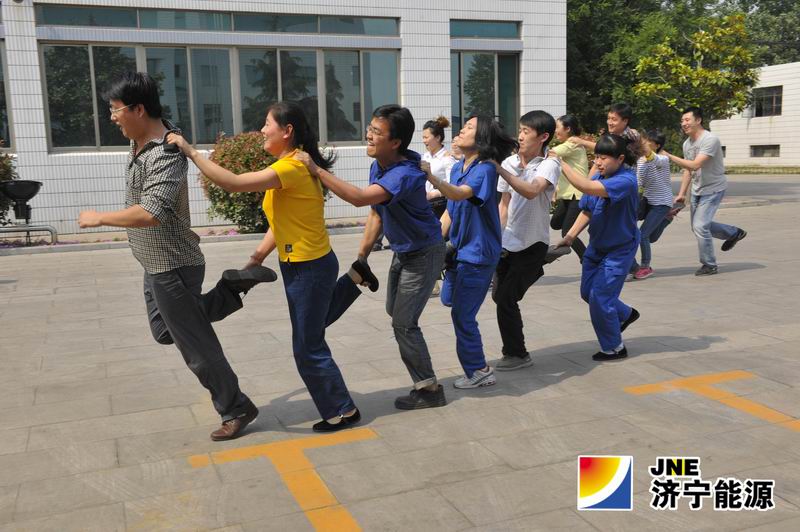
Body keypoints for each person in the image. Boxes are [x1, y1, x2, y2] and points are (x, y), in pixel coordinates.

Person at [78, 72, 274, 441]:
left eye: (115, 110)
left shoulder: (166, 155)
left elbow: (151, 212)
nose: (112, 117)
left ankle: (236, 407)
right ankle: (230, 289)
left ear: (138, 109)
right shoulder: (145, 139)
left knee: (196, 346)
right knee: (165, 332)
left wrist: (99, 218)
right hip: (153, 262)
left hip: (173, 265)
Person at [167, 101, 364, 433]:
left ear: (287, 131)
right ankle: (354, 280)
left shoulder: (293, 167)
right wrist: (257, 257)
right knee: (311, 332)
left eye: (267, 123)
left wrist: (191, 152)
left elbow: (233, 182)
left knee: (308, 346)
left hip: (309, 267)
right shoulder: (293, 165)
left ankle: (343, 411)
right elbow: (283, 222)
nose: (261, 130)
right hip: (303, 266)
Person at [295, 105, 448, 411]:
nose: (368, 135)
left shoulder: (404, 174)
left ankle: (430, 389)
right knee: (396, 312)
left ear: (396, 142)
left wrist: (316, 169)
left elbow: (359, 198)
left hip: (424, 252)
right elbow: (376, 212)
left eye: (377, 132)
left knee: (404, 323)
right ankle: (424, 378)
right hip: (403, 251)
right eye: (369, 128)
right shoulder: (380, 165)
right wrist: (362, 257)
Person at [425, 115, 517, 388]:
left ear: (482, 138)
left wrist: (430, 177)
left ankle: (479, 370)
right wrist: (434, 242)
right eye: (464, 126)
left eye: (469, 127)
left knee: (462, 315)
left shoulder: (485, 169)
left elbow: (460, 194)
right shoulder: (458, 168)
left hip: (478, 253)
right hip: (458, 251)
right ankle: (477, 362)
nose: (461, 130)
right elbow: (450, 212)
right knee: (448, 299)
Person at [555, 134, 641, 361]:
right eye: (597, 157)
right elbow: (587, 210)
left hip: (619, 249)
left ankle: (614, 347)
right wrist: (570, 236)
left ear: (620, 159)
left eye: (604, 158)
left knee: (600, 297)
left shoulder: (626, 181)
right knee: (588, 293)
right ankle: (626, 314)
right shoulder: (600, 175)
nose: (598, 162)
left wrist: (559, 161)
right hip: (597, 246)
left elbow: (585, 186)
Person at [491, 111, 561, 371]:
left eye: (526, 132)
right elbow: (504, 204)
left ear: (543, 137)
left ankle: (517, 354)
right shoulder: (509, 163)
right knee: (500, 297)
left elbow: (532, 191)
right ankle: (515, 351)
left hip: (533, 244)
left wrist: (500, 170)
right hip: (507, 242)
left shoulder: (548, 165)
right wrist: (495, 237)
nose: (520, 136)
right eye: (520, 130)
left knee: (506, 298)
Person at [663, 107, 747, 276]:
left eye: (687, 120)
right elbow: (688, 170)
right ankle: (734, 233)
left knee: (700, 226)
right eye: (682, 121)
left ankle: (709, 264)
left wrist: (668, 156)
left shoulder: (710, 139)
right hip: (697, 189)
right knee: (698, 227)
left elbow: (695, 165)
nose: (683, 123)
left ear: (698, 120)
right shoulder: (687, 144)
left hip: (713, 188)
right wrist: (682, 194)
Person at [630, 130, 674, 279]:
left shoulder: (662, 159)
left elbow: (652, 158)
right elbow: (639, 181)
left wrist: (639, 138)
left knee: (642, 235)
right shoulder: (640, 160)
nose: (644, 143)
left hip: (662, 202)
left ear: (657, 145)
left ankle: (645, 266)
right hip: (648, 201)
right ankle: (666, 219)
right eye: (644, 140)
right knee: (650, 237)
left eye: (648, 141)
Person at [422, 115, 457, 297]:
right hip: (427, 205)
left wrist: (433, 193)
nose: (424, 140)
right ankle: (432, 283)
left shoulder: (447, 159)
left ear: (437, 137)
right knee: (428, 244)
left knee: (439, 244)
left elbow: (452, 184)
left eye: (426, 137)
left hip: (441, 205)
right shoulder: (425, 157)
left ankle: (442, 279)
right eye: (423, 137)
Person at [549, 114, 588, 262]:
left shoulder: (572, 144)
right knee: (555, 223)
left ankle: (587, 259)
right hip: (567, 195)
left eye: (557, 127)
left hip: (576, 194)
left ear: (568, 129)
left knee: (568, 232)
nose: (555, 131)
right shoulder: (569, 144)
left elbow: (550, 154)